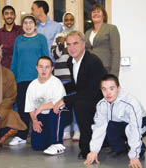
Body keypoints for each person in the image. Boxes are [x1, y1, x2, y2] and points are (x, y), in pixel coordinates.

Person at [53, 30, 107, 159]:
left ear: (83, 44)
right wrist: (57, 89)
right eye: (69, 44)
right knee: (76, 102)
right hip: (88, 96)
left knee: (80, 105)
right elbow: (77, 85)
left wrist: (65, 100)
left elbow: (91, 91)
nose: (72, 48)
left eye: (75, 43)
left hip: (102, 101)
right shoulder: (70, 62)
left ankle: (87, 147)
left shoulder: (92, 61)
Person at [84, 74, 146, 168]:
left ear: (118, 88)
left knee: (130, 130)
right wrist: (94, 151)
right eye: (104, 89)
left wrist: (134, 155)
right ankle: (120, 149)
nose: (108, 93)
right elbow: (99, 128)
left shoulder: (130, 102)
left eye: (111, 88)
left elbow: (135, 127)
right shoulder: (101, 105)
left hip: (143, 123)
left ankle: (140, 149)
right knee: (109, 126)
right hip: (123, 124)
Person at [9, 15, 49, 146]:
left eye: (30, 22)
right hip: (22, 79)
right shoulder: (18, 40)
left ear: (35, 25)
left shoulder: (41, 39)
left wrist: (46, 77)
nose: (28, 25)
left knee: (39, 107)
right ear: (22, 26)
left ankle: (41, 133)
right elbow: (15, 60)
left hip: (38, 79)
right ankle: (22, 135)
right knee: (23, 108)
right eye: (25, 23)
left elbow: (46, 58)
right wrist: (12, 78)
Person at [25, 56, 66, 155]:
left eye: (47, 67)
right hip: (42, 116)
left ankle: (57, 144)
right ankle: (50, 137)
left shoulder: (56, 83)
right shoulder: (32, 86)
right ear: (37, 68)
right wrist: (34, 121)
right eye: (41, 66)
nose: (44, 70)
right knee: (37, 145)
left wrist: (42, 107)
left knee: (56, 110)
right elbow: (30, 107)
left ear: (52, 69)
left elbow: (59, 103)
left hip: (58, 114)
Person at [51, 12, 80, 141]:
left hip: (73, 75)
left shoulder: (78, 35)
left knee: (75, 103)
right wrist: (61, 44)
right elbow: (54, 55)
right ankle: (66, 129)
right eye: (66, 20)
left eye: (71, 19)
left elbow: (80, 53)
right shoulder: (58, 36)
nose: (69, 22)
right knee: (63, 104)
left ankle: (78, 129)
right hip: (60, 76)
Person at [85, 5, 120, 77]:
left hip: (105, 68)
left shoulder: (111, 28)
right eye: (93, 12)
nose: (95, 14)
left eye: (98, 12)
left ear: (104, 15)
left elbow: (116, 52)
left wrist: (114, 74)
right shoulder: (87, 32)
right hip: (90, 69)